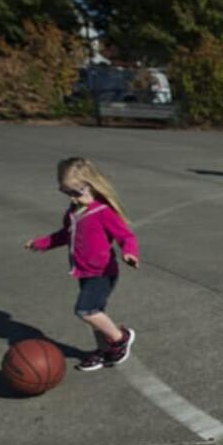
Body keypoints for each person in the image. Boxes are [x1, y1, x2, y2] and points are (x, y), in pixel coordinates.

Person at [25, 157, 139, 371]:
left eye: (78, 193)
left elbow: (127, 237)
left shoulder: (103, 212)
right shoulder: (73, 212)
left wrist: (130, 253)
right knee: (97, 313)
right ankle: (105, 349)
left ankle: (120, 338)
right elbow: (64, 235)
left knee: (85, 311)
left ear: (91, 186)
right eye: (68, 193)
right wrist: (41, 243)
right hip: (85, 272)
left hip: (102, 272)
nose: (74, 198)